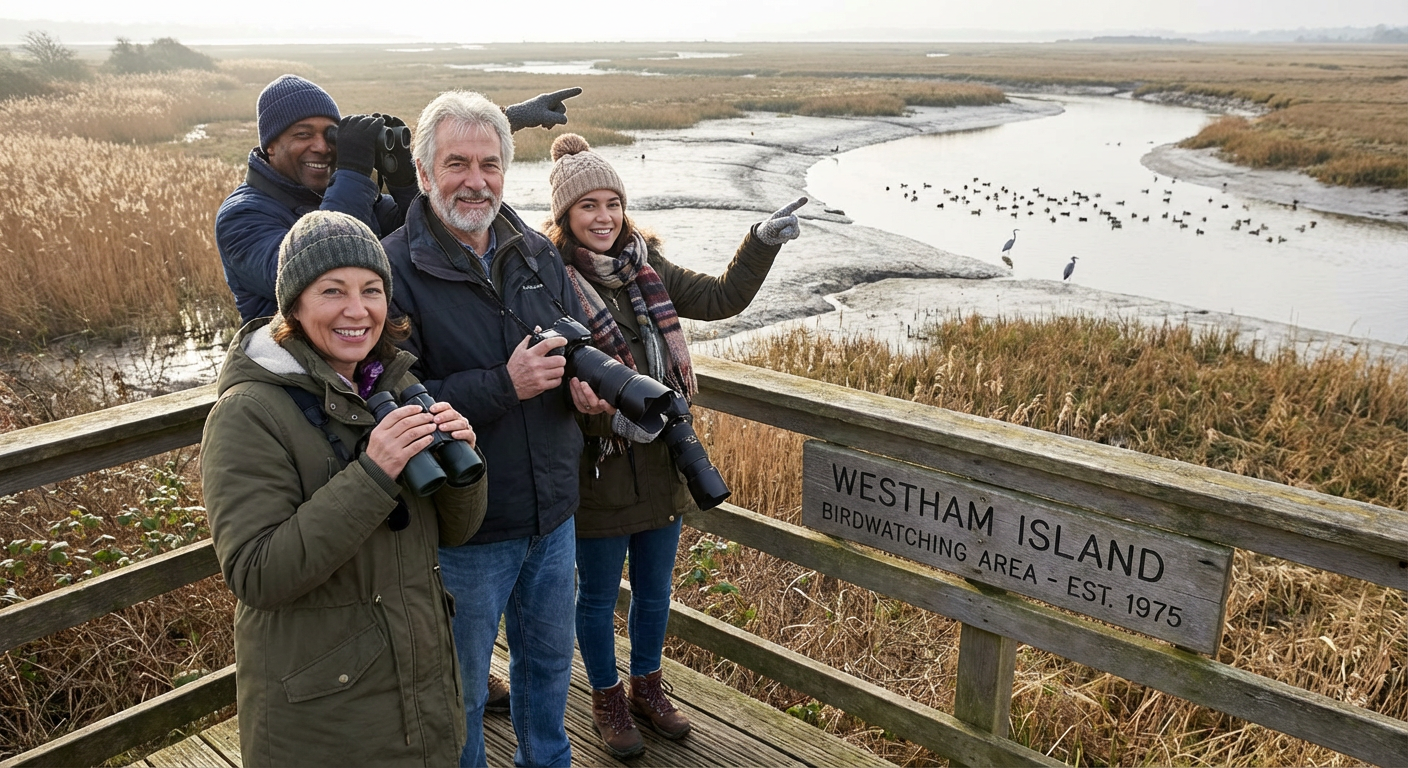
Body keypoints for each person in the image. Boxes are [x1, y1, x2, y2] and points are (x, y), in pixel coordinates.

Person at [543, 133, 805, 758]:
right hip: (599, 472)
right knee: (600, 596)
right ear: (565, 218)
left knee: (657, 592)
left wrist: (759, 243)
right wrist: (588, 412)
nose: (603, 217)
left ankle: (648, 689)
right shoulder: (548, 282)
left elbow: (720, 298)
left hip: (663, 463)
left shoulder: (646, 266)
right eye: (588, 207)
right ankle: (606, 698)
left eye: (612, 202)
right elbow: (544, 379)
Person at [201, 210, 489, 766]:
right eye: (332, 291)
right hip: (326, 720)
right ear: (294, 307)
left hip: (419, 696)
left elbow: (457, 530)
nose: (358, 311)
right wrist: (373, 475)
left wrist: (464, 458)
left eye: (372, 290)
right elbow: (256, 573)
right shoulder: (249, 413)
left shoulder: (393, 383)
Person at [383, 91, 611, 768]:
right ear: (424, 174)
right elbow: (394, 401)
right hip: (468, 532)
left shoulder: (539, 253)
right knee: (460, 691)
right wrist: (504, 386)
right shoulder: (391, 270)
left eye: (489, 163)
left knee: (547, 674)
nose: (475, 180)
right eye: (456, 163)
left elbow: (569, 355)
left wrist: (584, 392)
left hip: (553, 514)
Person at [216, 74, 582, 325]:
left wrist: (405, 178)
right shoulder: (242, 215)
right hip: (295, 388)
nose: (321, 147)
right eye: (302, 134)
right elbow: (312, 268)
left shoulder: (346, 196)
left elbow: (429, 233)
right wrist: (355, 170)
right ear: (270, 145)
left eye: (331, 135)